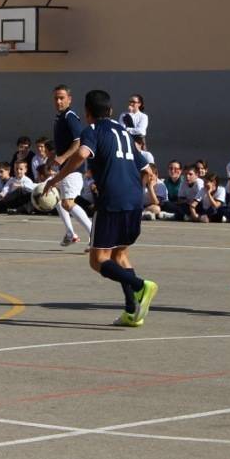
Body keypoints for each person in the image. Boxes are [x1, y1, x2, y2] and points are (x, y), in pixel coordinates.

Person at [46, 89, 157, 327]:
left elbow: (82, 153)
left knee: (98, 260)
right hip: (134, 199)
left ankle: (141, 286)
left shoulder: (93, 130)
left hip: (112, 200)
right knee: (120, 255)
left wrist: (56, 178)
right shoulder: (125, 132)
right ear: (111, 111)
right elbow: (146, 169)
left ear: (87, 113)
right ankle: (131, 311)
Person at [51, 85, 94, 246]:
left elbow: (78, 142)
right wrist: (54, 158)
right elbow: (63, 143)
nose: (58, 101)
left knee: (68, 202)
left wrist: (62, 158)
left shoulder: (70, 116)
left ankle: (93, 234)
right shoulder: (59, 118)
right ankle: (70, 233)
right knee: (56, 198)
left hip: (73, 167)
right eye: (56, 98)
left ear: (69, 99)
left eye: (62, 98)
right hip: (64, 167)